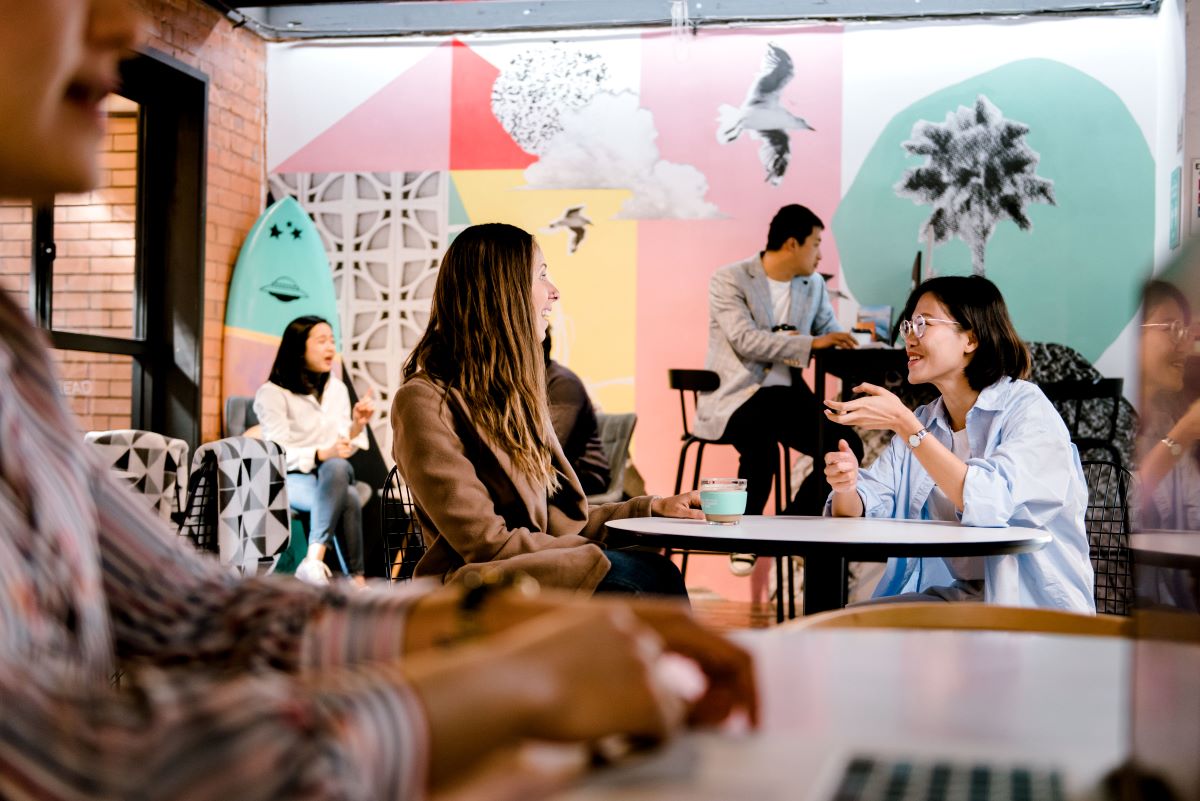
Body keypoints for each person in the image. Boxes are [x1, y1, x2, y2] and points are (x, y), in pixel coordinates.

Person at [0, 3, 758, 798]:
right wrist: (502, 680)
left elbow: (191, 606)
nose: (125, 25)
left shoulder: (17, 353)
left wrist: (482, 630)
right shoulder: (423, 397)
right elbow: (73, 756)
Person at [392, 222, 701, 597]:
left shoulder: (514, 395)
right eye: (541, 276)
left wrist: (653, 507)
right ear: (502, 293)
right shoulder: (423, 401)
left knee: (655, 571)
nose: (554, 292)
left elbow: (563, 526)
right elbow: (487, 544)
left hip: (532, 569)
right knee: (642, 578)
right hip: (476, 586)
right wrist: (594, 553)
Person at [823, 275, 1095, 611]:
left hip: (1032, 606)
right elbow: (866, 504)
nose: (909, 337)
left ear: (971, 338)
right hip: (967, 596)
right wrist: (846, 485)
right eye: (908, 325)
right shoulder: (925, 421)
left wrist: (904, 424)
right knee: (851, 623)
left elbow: (990, 502)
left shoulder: (1028, 409)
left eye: (922, 323)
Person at [694, 203, 863, 575]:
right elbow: (744, 340)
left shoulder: (813, 285)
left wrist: (856, 340)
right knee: (762, 440)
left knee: (846, 445)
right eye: (816, 244)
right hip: (737, 398)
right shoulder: (730, 279)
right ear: (791, 244)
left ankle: (791, 524)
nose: (820, 255)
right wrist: (810, 343)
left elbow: (827, 334)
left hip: (787, 399)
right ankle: (746, 537)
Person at [254, 315, 373, 586]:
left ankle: (313, 560)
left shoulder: (337, 389)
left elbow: (340, 445)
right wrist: (320, 453)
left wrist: (356, 425)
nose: (331, 348)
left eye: (332, 341)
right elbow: (276, 452)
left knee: (338, 467)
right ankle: (356, 582)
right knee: (350, 496)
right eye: (322, 341)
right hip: (287, 479)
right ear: (298, 348)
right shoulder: (271, 393)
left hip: (330, 475)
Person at [1133, 278, 1200, 610]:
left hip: (1170, 609)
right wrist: (1182, 436)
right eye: (1173, 328)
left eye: (1187, 332)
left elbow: (1194, 513)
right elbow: (1112, 517)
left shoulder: (1163, 422)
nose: (1185, 347)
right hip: (1112, 612)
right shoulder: (1098, 419)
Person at [544, 326, 611, 496]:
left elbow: (550, 448)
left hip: (584, 474)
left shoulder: (562, 384)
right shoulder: (528, 382)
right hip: (556, 471)